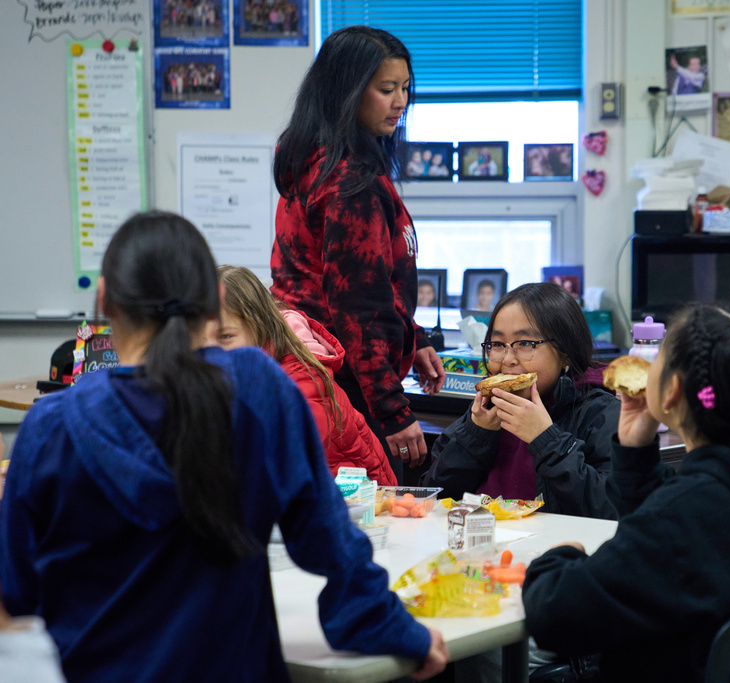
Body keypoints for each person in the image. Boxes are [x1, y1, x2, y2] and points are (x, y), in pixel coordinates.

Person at [0, 211, 447, 681]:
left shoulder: (51, 425)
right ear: (214, 300)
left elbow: (18, 594)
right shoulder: (260, 386)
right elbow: (333, 550)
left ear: (105, 298)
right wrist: (402, 633)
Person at [520, 303, 730, 680]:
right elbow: (674, 538)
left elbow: (555, 617)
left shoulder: (688, 514)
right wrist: (636, 451)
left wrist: (558, 557)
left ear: (671, 390)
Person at [271, 26, 446, 483]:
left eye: (406, 88)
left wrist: (415, 335)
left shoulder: (319, 158)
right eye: (387, 89)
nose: (401, 102)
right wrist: (392, 412)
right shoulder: (351, 181)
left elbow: (372, 281)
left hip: (312, 368)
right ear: (347, 92)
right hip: (342, 383)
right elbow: (358, 308)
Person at [424, 283, 620, 519]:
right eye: (497, 345)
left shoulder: (600, 411)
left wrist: (546, 439)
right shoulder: (485, 410)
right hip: (482, 549)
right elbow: (432, 498)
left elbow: (612, 509)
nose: (507, 360)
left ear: (566, 350)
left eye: (525, 344)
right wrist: (477, 435)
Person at [216, 264, 397, 485]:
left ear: (257, 323)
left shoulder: (299, 383)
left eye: (225, 336)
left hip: (369, 506)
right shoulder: (246, 370)